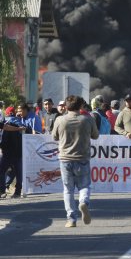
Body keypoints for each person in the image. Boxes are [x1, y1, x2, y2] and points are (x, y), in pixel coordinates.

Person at [52, 95, 99, 228]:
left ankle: (71, 219)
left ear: (66, 107)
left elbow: (54, 136)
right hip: (82, 158)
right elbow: (96, 135)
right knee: (84, 186)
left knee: (68, 190)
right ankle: (83, 201)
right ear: (81, 106)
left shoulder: (60, 120)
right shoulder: (88, 119)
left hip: (65, 159)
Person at [0, 117, 26, 198]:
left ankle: (2, 191)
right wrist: (19, 128)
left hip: (7, 153)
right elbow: (5, 127)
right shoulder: (20, 125)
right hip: (18, 152)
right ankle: (17, 192)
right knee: (18, 172)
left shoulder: (7, 124)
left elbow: (5, 128)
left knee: (1, 171)